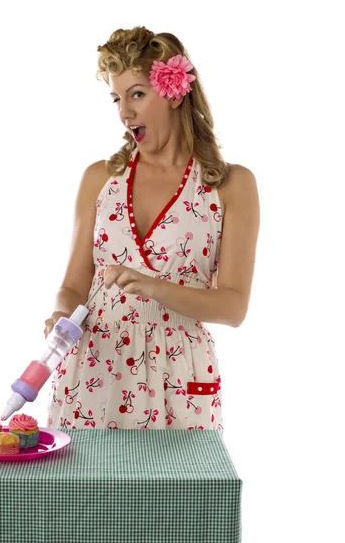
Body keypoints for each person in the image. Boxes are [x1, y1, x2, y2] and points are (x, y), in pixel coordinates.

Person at [44, 26, 260, 436]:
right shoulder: (99, 180)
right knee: (85, 499)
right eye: (116, 98)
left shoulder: (231, 185)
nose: (124, 112)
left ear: (175, 92)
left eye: (137, 94)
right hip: (94, 366)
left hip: (179, 373)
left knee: (177, 499)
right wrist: (59, 314)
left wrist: (153, 287)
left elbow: (233, 308)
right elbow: (73, 285)